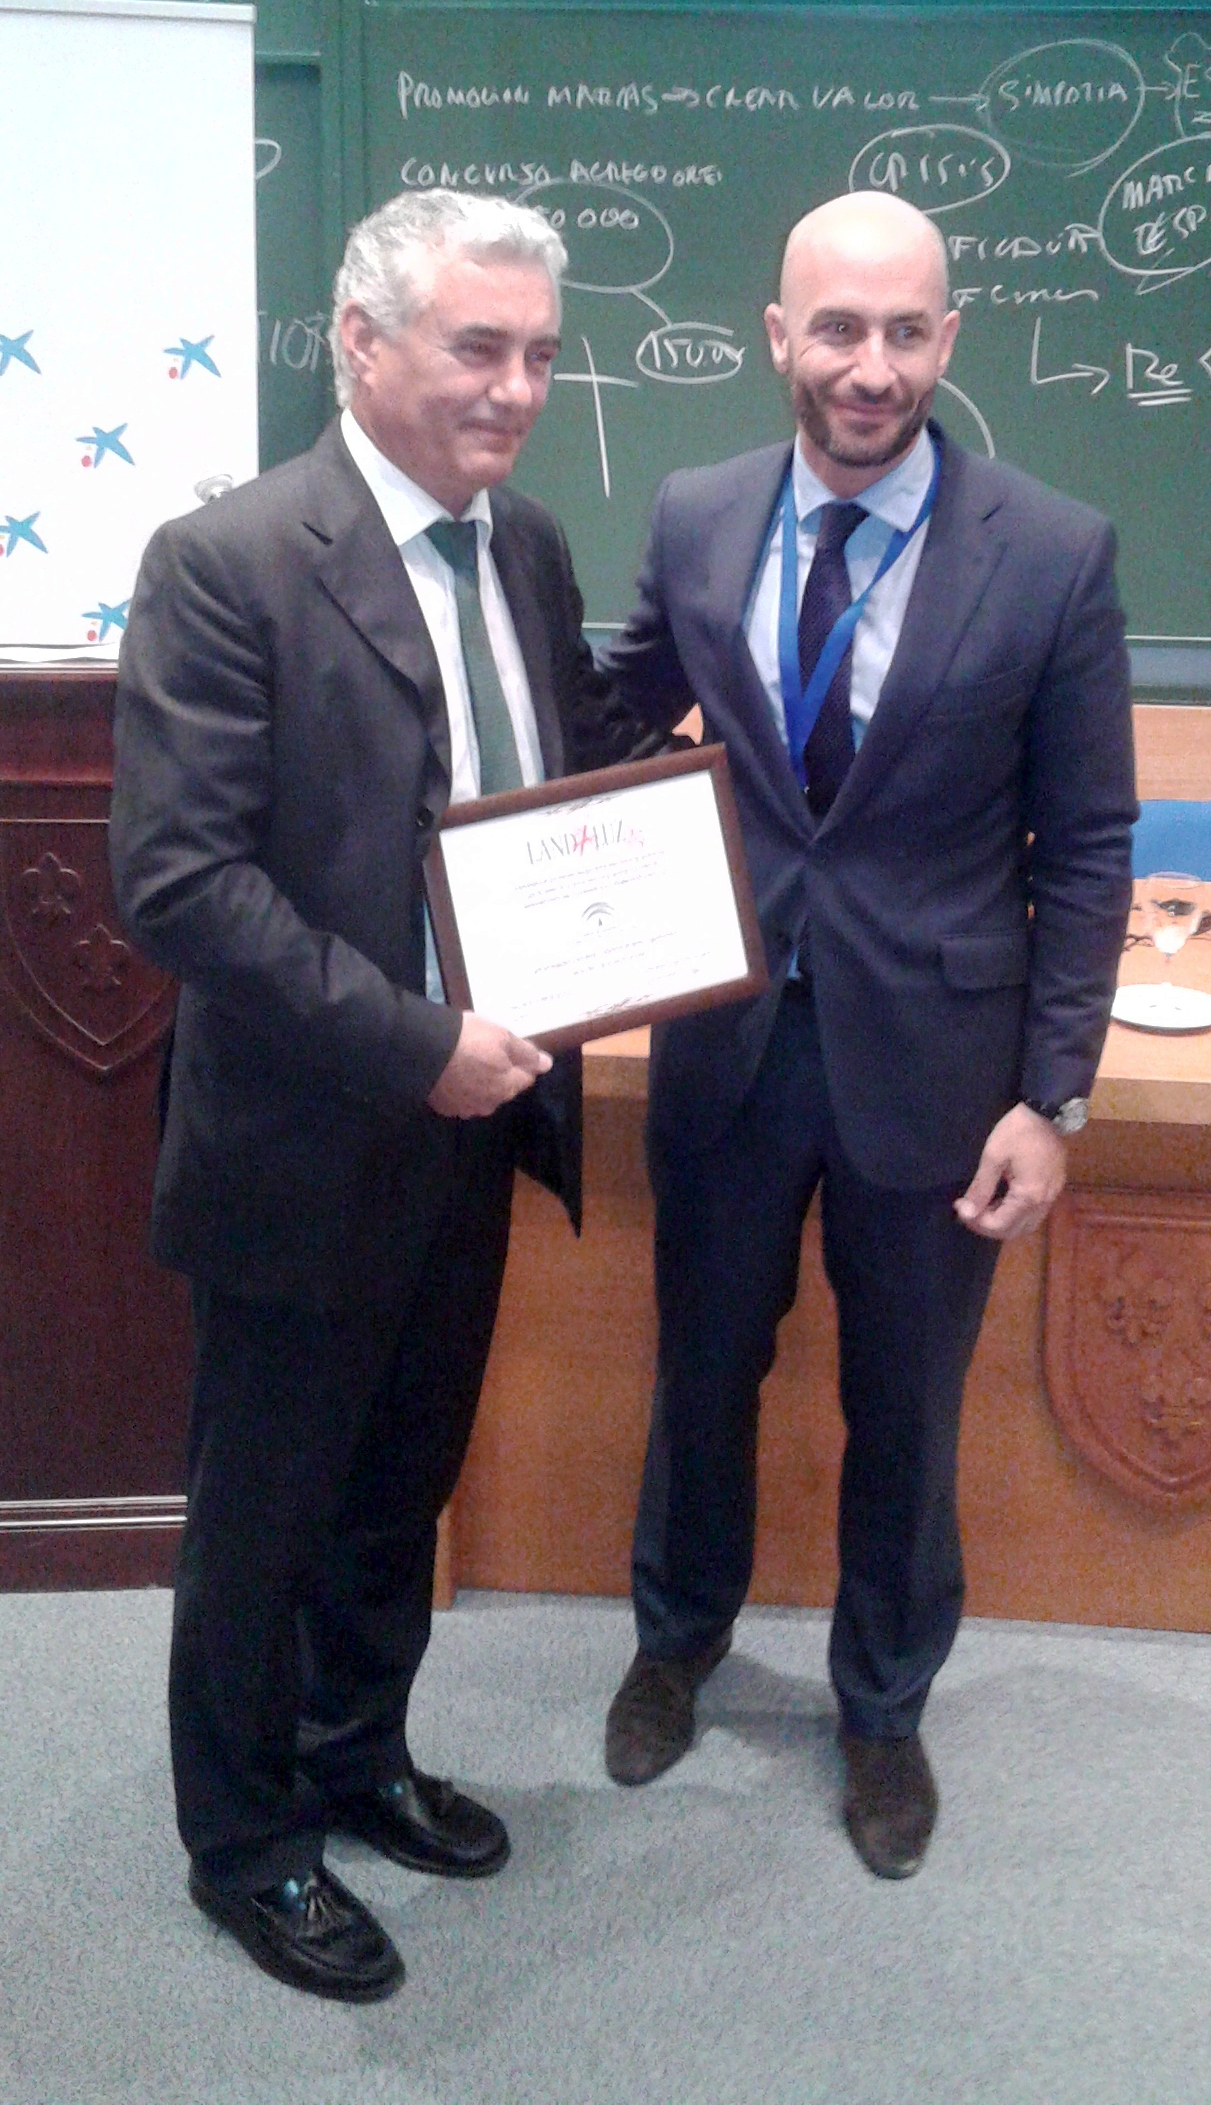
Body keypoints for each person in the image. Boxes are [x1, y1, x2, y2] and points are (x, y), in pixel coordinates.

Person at [109, 189, 614, 2000]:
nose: (515, 389)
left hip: (479, 1127)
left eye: (539, 354)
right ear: (362, 340)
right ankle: (246, 1842)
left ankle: (355, 1753)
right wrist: (417, 1041)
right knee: (266, 1513)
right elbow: (180, 885)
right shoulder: (225, 560)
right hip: (307, 1136)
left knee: (402, 1482)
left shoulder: (527, 545)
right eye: (479, 347)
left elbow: (549, 780)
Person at [598, 191, 1136, 1878]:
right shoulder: (697, 515)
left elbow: (1090, 844)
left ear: (949, 337)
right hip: (731, 1037)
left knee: (907, 1403)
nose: (871, 367)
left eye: (907, 330)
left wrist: (1053, 1096)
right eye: (838, 327)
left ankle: (885, 1707)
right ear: (780, 335)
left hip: (942, 1066)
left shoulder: (1053, 551)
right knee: (702, 1366)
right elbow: (616, 707)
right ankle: (677, 1636)